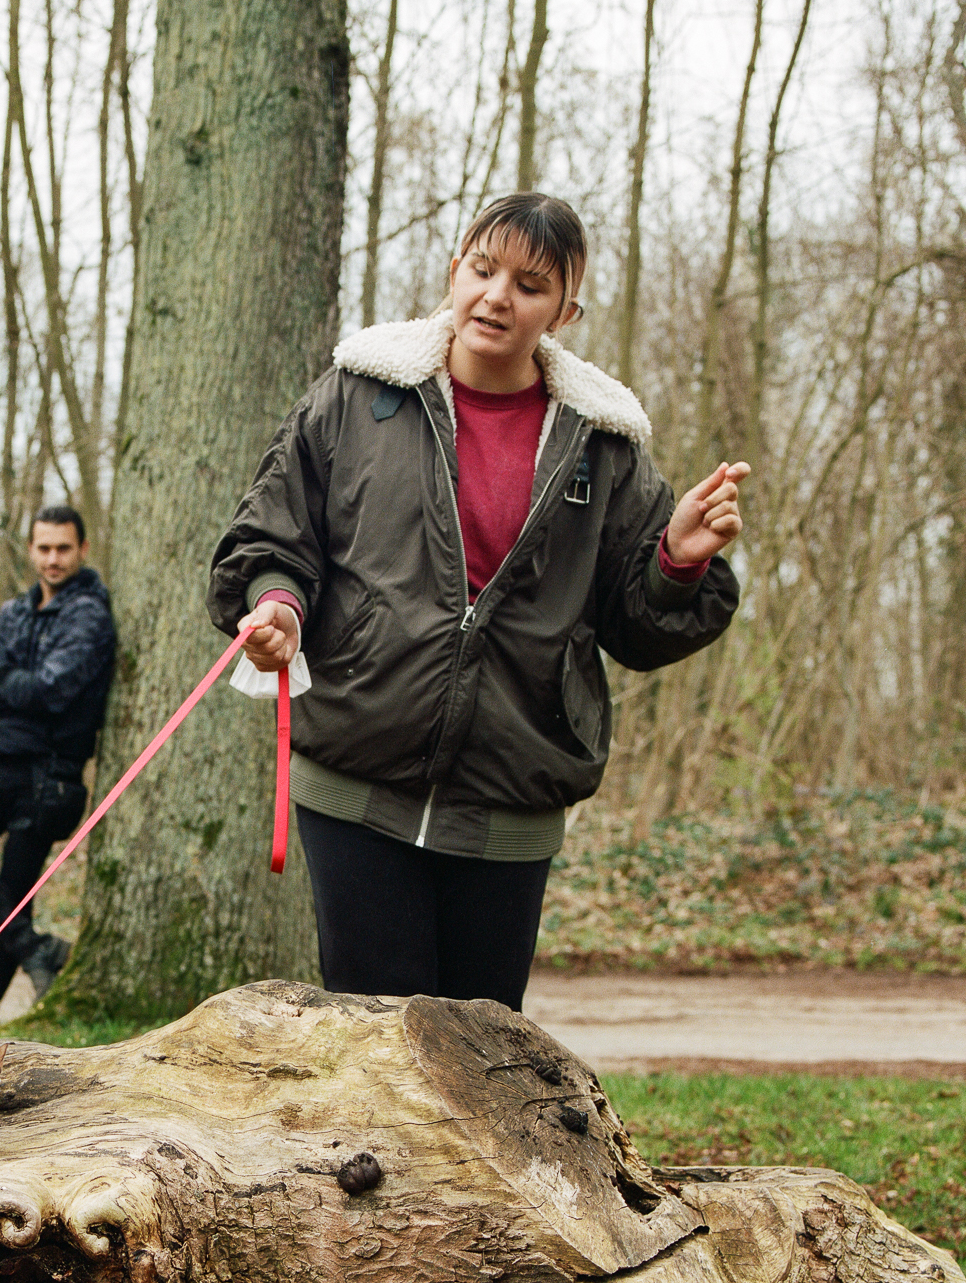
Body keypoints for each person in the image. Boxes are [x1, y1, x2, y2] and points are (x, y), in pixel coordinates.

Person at [208, 192, 746, 1009]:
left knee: (484, 1049)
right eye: (484, 270)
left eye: (530, 286)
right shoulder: (358, 394)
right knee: (376, 1043)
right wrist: (277, 605)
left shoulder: (602, 442)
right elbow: (274, 533)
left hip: (512, 799)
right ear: (455, 270)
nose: (498, 297)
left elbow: (637, 627)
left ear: (564, 312)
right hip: (355, 778)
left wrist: (675, 560)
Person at [0, 505, 115, 1024]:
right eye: (44, 548)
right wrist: (20, 687)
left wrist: (10, 683)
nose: (53, 559)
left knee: (13, 895)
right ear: (31, 549)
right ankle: (38, 949)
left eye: (63, 548)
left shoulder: (89, 615)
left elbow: (51, 690)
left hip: (49, 774)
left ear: (82, 550)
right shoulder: (14, 612)